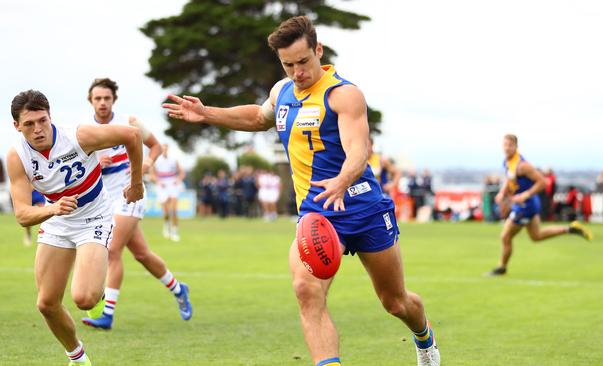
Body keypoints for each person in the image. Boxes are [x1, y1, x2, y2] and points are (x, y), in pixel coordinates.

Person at [163, 16, 440, 366]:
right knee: (306, 290)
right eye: (288, 64)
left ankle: (425, 339)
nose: (297, 72)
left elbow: (359, 149)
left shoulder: (343, 94)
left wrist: (341, 180)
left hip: (363, 206)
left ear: (318, 51)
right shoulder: (282, 92)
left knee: (395, 302)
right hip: (317, 212)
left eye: (303, 62)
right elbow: (257, 118)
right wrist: (208, 114)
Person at [6, 89, 144, 365]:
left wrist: (137, 182)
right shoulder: (17, 156)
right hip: (56, 220)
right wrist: (53, 209)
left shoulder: (78, 136)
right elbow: (22, 214)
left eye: (43, 121)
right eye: (29, 124)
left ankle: (100, 293)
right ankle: (78, 358)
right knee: (46, 303)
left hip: (94, 216)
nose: (38, 129)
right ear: (17, 126)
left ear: (50, 117)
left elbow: (132, 135)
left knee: (84, 298)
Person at [81, 78, 191, 331]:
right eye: (97, 98)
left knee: (112, 250)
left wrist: (147, 165)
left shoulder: (128, 123)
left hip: (130, 195)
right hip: (103, 201)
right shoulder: (84, 130)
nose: (102, 103)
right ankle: (178, 288)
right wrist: (97, 163)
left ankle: (107, 313)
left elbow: (154, 147)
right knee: (141, 254)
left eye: (107, 98)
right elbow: (81, 169)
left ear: (113, 100)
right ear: (90, 101)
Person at [487, 135, 593, 276]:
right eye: (504, 145)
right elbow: (510, 178)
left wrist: (525, 194)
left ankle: (502, 268)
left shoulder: (523, 166)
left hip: (526, 205)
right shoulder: (507, 162)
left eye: (510, 145)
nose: (506, 148)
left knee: (505, 236)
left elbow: (543, 182)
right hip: (525, 205)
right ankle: (570, 229)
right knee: (536, 236)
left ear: (516, 146)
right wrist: (502, 192)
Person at [151, 143, 186, 241]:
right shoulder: (156, 161)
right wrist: (158, 182)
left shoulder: (174, 160)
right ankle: (166, 226)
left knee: (174, 210)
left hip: (173, 184)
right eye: (163, 149)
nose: (164, 150)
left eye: (166, 148)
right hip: (162, 186)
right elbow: (152, 175)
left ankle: (175, 232)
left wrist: (178, 179)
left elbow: (182, 173)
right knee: (166, 211)